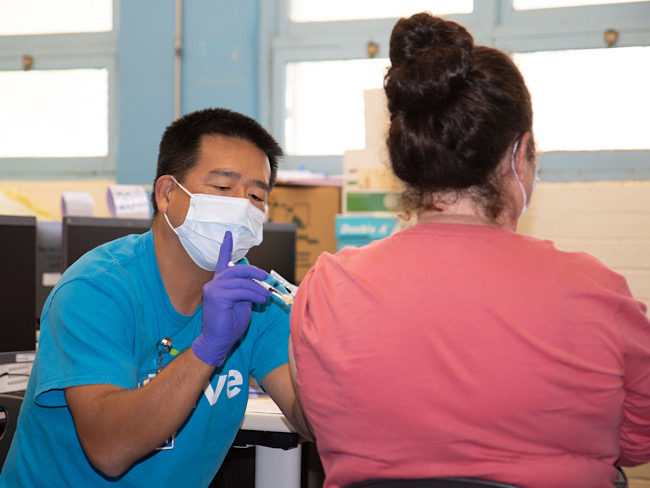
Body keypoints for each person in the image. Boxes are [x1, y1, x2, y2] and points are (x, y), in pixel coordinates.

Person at [289, 12, 650, 488]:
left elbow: (317, 421)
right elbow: (636, 443)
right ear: (519, 154)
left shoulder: (327, 288)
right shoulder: (599, 291)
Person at [0, 108, 312, 487]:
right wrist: (208, 348)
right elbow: (109, 450)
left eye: (256, 196)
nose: (242, 207)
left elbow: (310, 420)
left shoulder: (255, 297)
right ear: (166, 194)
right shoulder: (96, 289)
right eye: (222, 188)